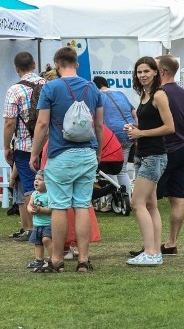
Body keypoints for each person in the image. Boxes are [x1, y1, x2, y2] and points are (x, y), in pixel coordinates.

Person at [29, 46, 104, 273]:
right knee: (82, 204)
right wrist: (98, 152)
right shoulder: (93, 88)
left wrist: (35, 153)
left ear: (57, 64)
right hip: (87, 154)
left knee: (59, 206)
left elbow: (42, 124)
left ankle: (56, 260)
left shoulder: (50, 88)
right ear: (77, 64)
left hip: (61, 154)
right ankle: (83, 259)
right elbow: (99, 125)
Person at [126, 57, 175, 266]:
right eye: (139, 72)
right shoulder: (145, 95)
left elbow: (170, 127)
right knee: (150, 205)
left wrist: (141, 133)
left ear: (156, 72)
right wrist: (134, 130)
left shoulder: (159, 95)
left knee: (137, 203)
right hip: (144, 154)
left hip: (153, 156)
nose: (142, 75)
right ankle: (154, 251)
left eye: (146, 71)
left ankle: (151, 252)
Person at [153, 55, 184, 255]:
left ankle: (151, 245)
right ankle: (171, 242)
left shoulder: (159, 93)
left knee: (149, 200)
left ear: (161, 72)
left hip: (162, 150)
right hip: (181, 149)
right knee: (177, 197)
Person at [4, 52, 45, 244]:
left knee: (30, 186)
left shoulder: (14, 90)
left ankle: (35, 230)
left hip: (25, 145)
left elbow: (9, 123)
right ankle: (47, 227)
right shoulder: (48, 84)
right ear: (34, 64)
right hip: (47, 143)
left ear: (16, 68)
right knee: (48, 184)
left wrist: (6, 146)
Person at [92, 76, 135, 200]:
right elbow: (134, 113)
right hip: (129, 133)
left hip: (112, 136)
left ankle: (114, 200)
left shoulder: (99, 96)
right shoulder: (120, 94)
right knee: (123, 169)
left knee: (111, 170)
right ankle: (127, 199)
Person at [25, 170, 51, 270]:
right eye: (35, 179)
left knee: (47, 240)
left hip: (48, 224)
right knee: (38, 243)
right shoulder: (34, 194)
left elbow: (52, 210)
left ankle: (53, 259)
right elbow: (29, 205)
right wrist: (30, 210)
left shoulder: (49, 195)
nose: (36, 181)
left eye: (40, 180)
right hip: (37, 224)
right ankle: (39, 260)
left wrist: (40, 209)